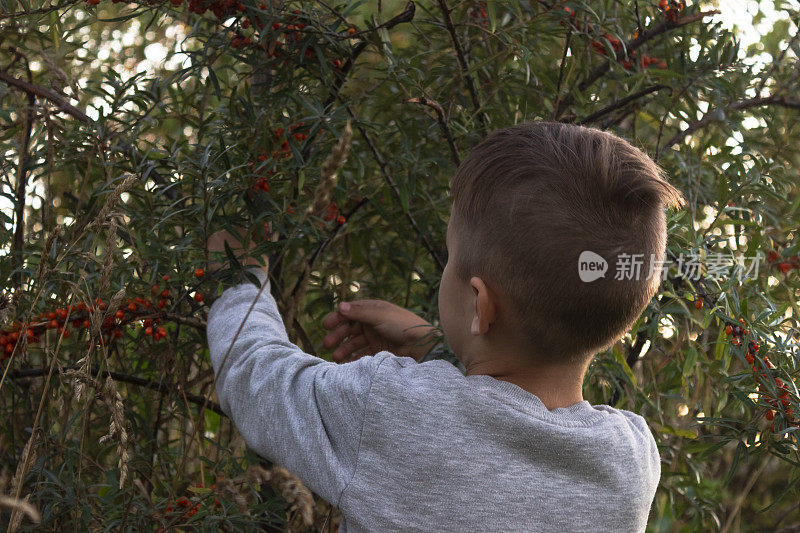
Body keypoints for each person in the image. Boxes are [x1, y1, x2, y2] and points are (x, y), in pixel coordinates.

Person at [205, 121, 685, 532]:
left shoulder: (388, 406)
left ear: (481, 304)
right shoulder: (631, 462)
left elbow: (253, 375)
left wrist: (239, 273)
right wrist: (432, 344)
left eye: (451, 257)